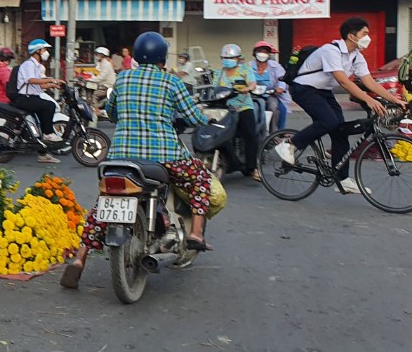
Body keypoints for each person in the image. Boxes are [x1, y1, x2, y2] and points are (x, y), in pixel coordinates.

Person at [62, 31, 214, 290]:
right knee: (200, 178)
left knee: (101, 207)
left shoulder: (122, 79)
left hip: (120, 159)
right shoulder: (171, 82)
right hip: (164, 158)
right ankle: (196, 233)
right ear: (161, 58)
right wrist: (208, 120)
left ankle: (78, 261)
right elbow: (192, 116)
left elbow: (111, 112)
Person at [275, 17, 404, 194]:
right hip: (304, 88)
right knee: (329, 121)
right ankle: (289, 144)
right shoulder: (331, 51)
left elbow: (369, 82)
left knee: (340, 130)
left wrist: (395, 100)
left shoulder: (356, 56)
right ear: (352, 36)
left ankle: (342, 180)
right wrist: (368, 99)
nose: (368, 37)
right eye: (364, 33)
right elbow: (343, 81)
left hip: (323, 91)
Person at [15, 39, 64, 163]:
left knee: (39, 126)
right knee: (49, 106)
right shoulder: (29, 64)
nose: (46, 52)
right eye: (44, 49)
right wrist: (52, 80)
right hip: (25, 99)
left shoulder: (37, 66)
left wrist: (52, 85)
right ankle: (48, 134)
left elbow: (38, 86)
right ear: (37, 51)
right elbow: (31, 80)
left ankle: (43, 155)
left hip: (32, 98)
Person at [217, 44, 260, 181]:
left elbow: (253, 84)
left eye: (231, 57)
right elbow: (213, 88)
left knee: (250, 136)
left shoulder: (245, 69)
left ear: (238, 58)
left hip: (243, 107)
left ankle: (253, 168)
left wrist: (247, 88)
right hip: (225, 109)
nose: (227, 60)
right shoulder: (218, 73)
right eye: (225, 57)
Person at [247, 41, 288, 131]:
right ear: (255, 53)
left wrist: (280, 88)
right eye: (260, 51)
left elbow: (282, 78)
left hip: (270, 94)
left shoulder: (275, 66)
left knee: (274, 107)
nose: (263, 54)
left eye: (265, 52)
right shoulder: (248, 65)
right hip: (252, 95)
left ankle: (273, 133)